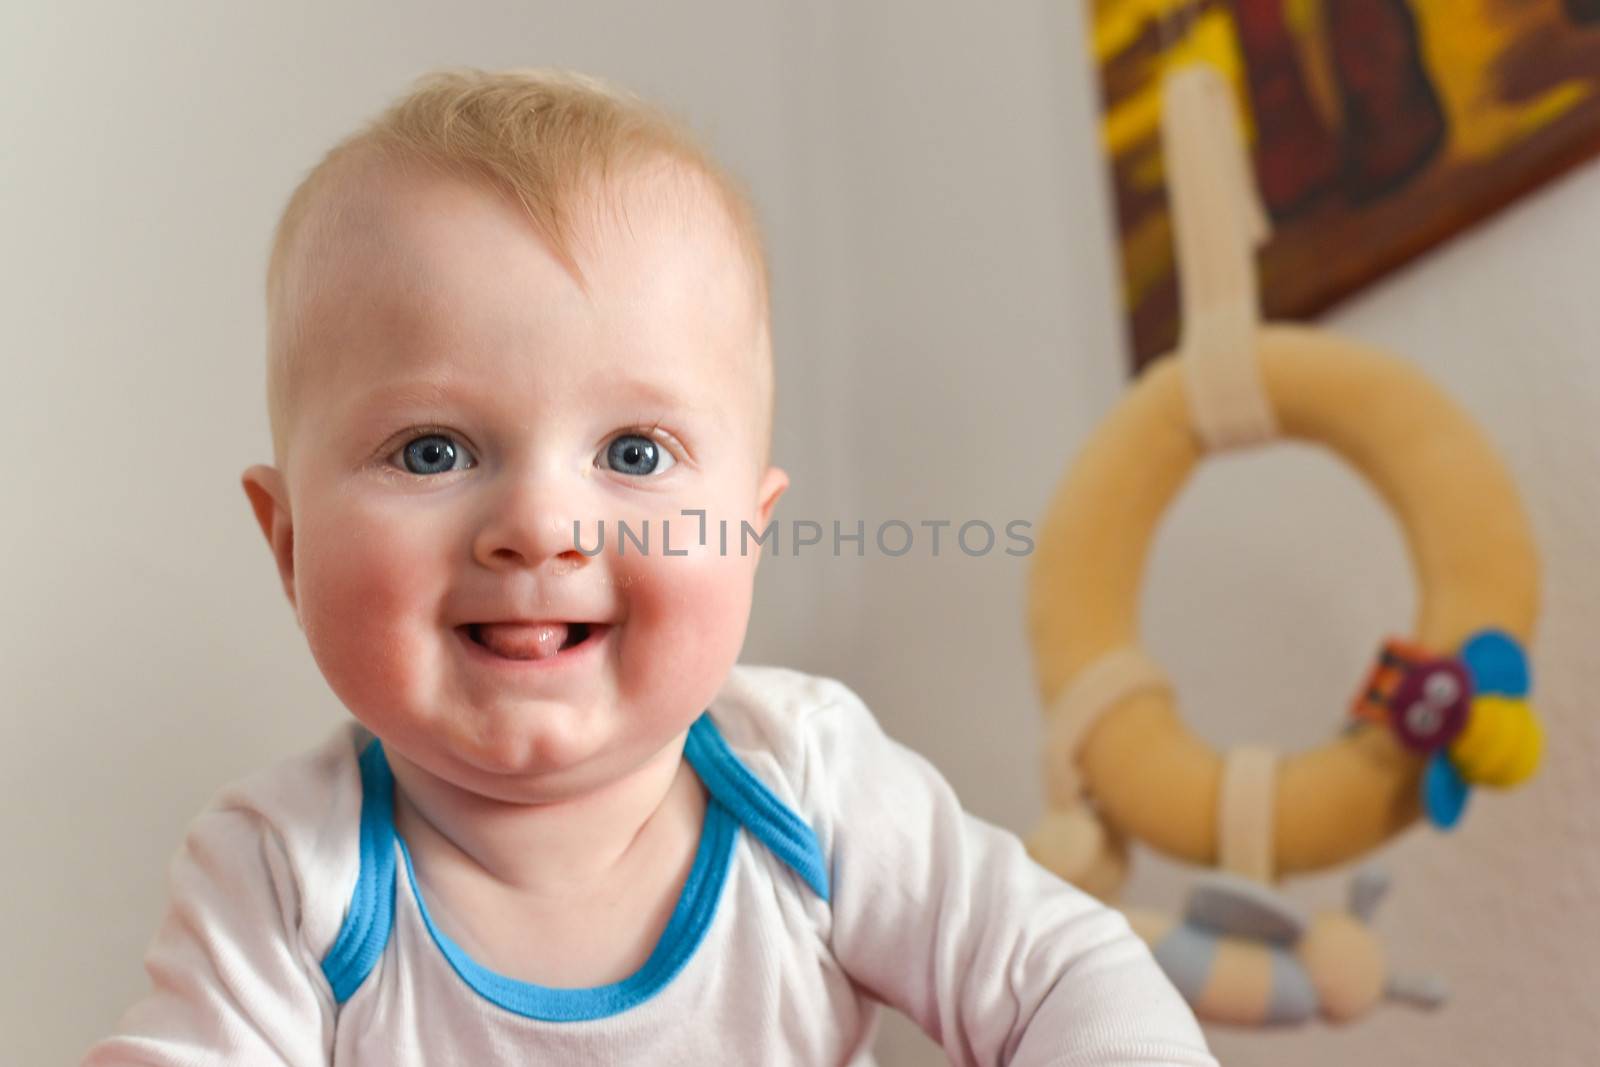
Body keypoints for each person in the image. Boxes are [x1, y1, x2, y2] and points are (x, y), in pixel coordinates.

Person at [82, 67, 1218, 1066]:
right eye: (432, 449)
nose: (537, 524)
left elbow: (1066, 975)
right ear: (288, 544)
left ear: (747, 529)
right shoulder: (283, 874)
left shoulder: (808, 782)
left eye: (634, 452)